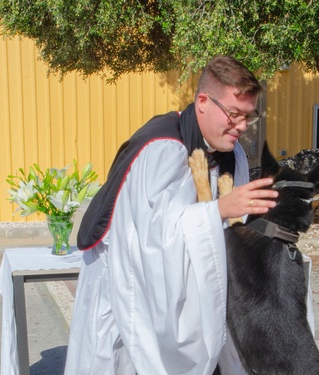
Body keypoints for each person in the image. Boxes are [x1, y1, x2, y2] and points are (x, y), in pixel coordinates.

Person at [65, 55, 279, 374]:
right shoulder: (161, 149)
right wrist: (220, 210)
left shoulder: (233, 154)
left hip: (190, 294)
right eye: (234, 114)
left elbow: (234, 228)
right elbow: (149, 241)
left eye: (249, 116)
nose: (242, 127)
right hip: (125, 294)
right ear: (203, 101)